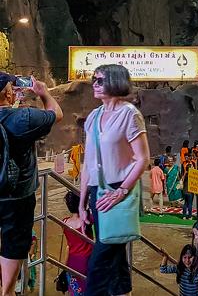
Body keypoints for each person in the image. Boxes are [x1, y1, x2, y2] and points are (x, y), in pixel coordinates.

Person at [78, 64, 150, 296]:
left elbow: (143, 158)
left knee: (99, 262)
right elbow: (88, 162)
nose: (95, 84)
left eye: (100, 80)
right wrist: (82, 202)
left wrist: (121, 191)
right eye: (94, 80)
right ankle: (122, 291)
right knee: (115, 255)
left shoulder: (129, 114)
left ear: (115, 82)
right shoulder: (93, 116)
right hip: (97, 192)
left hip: (119, 190)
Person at [0, 73, 63, 296]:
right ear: (9, 93)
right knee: (14, 244)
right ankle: (7, 291)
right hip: (17, 197)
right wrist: (43, 93)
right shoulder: (23, 118)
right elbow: (56, 114)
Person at [62, 191, 94, 295]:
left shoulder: (64, 222)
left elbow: (68, 245)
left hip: (72, 261)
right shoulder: (86, 220)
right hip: (87, 260)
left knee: (75, 290)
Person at [182, 155, 195, 219]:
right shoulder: (193, 176)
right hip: (190, 191)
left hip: (184, 191)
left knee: (185, 203)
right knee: (190, 204)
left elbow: (182, 180)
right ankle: (190, 216)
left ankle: (184, 216)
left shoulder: (185, 175)